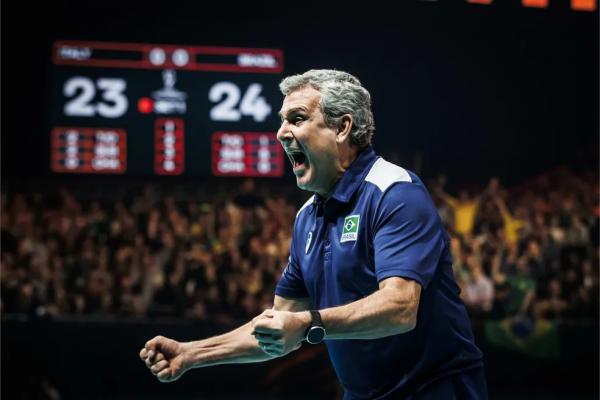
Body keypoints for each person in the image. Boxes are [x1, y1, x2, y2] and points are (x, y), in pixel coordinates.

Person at [139, 70, 487, 399]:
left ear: (342, 127)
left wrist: (309, 323)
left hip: (434, 388)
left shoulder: (395, 192)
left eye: (297, 118)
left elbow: (400, 308)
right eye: (282, 120)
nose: (281, 132)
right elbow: (278, 329)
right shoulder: (308, 216)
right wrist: (191, 353)